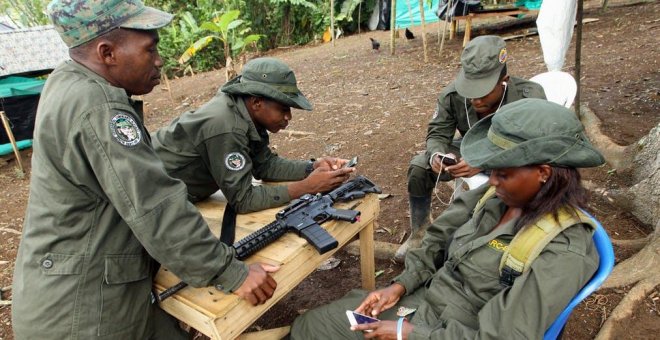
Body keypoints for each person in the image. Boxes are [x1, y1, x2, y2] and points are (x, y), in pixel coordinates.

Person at [12, 1, 278, 339]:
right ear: (107, 53)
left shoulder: (66, 80)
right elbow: (155, 205)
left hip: (65, 285)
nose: (159, 60)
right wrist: (230, 270)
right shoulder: (101, 107)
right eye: (149, 48)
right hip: (83, 309)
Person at [290, 98, 605, 339]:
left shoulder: (563, 250)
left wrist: (409, 334)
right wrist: (400, 286)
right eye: (491, 171)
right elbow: (437, 240)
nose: (492, 181)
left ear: (543, 174)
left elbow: (504, 336)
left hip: (450, 331)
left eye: (503, 174)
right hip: (417, 302)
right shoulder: (496, 197)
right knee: (309, 328)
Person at [397, 35, 547, 261]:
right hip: (470, 147)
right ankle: (420, 233)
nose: (474, 100)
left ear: (503, 80)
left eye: (483, 91)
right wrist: (438, 155)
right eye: (471, 90)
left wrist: (485, 161)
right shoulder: (452, 95)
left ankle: (514, 237)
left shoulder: (530, 97)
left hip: (513, 158)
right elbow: (438, 132)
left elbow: (536, 146)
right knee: (420, 165)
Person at [152, 57, 354, 213]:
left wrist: (312, 167)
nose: (288, 117)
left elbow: (265, 165)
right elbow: (243, 200)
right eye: (283, 109)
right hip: (153, 195)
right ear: (257, 103)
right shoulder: (227, 126)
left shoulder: (246, 112)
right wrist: (306, 187)